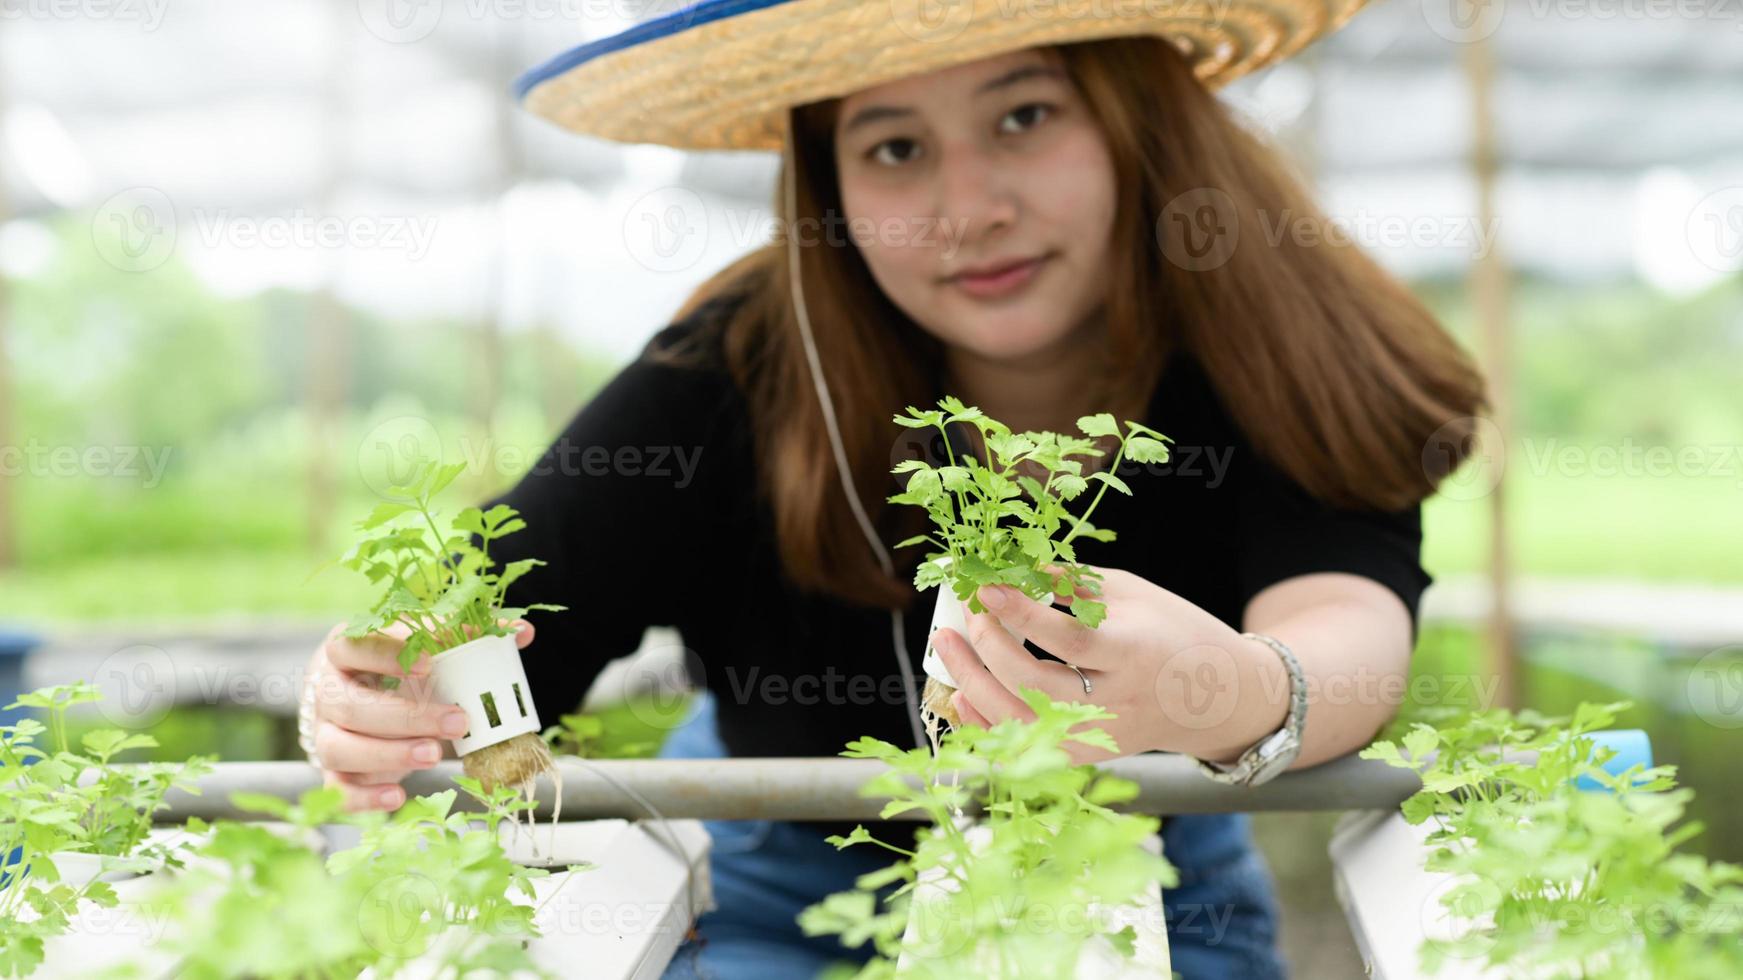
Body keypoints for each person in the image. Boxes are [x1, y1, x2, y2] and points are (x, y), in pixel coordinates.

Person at [300, 3, 1489, 977]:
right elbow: (491, 624)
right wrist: (391, 693)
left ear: (1141, 123)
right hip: (780, 890)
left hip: (1155, 872)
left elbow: (1348, 625)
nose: (967, 208)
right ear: (828, 188)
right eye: (895, 147)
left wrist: (1227, 685)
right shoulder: (735, 369)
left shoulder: (1272, 342)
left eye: (1024, 114)